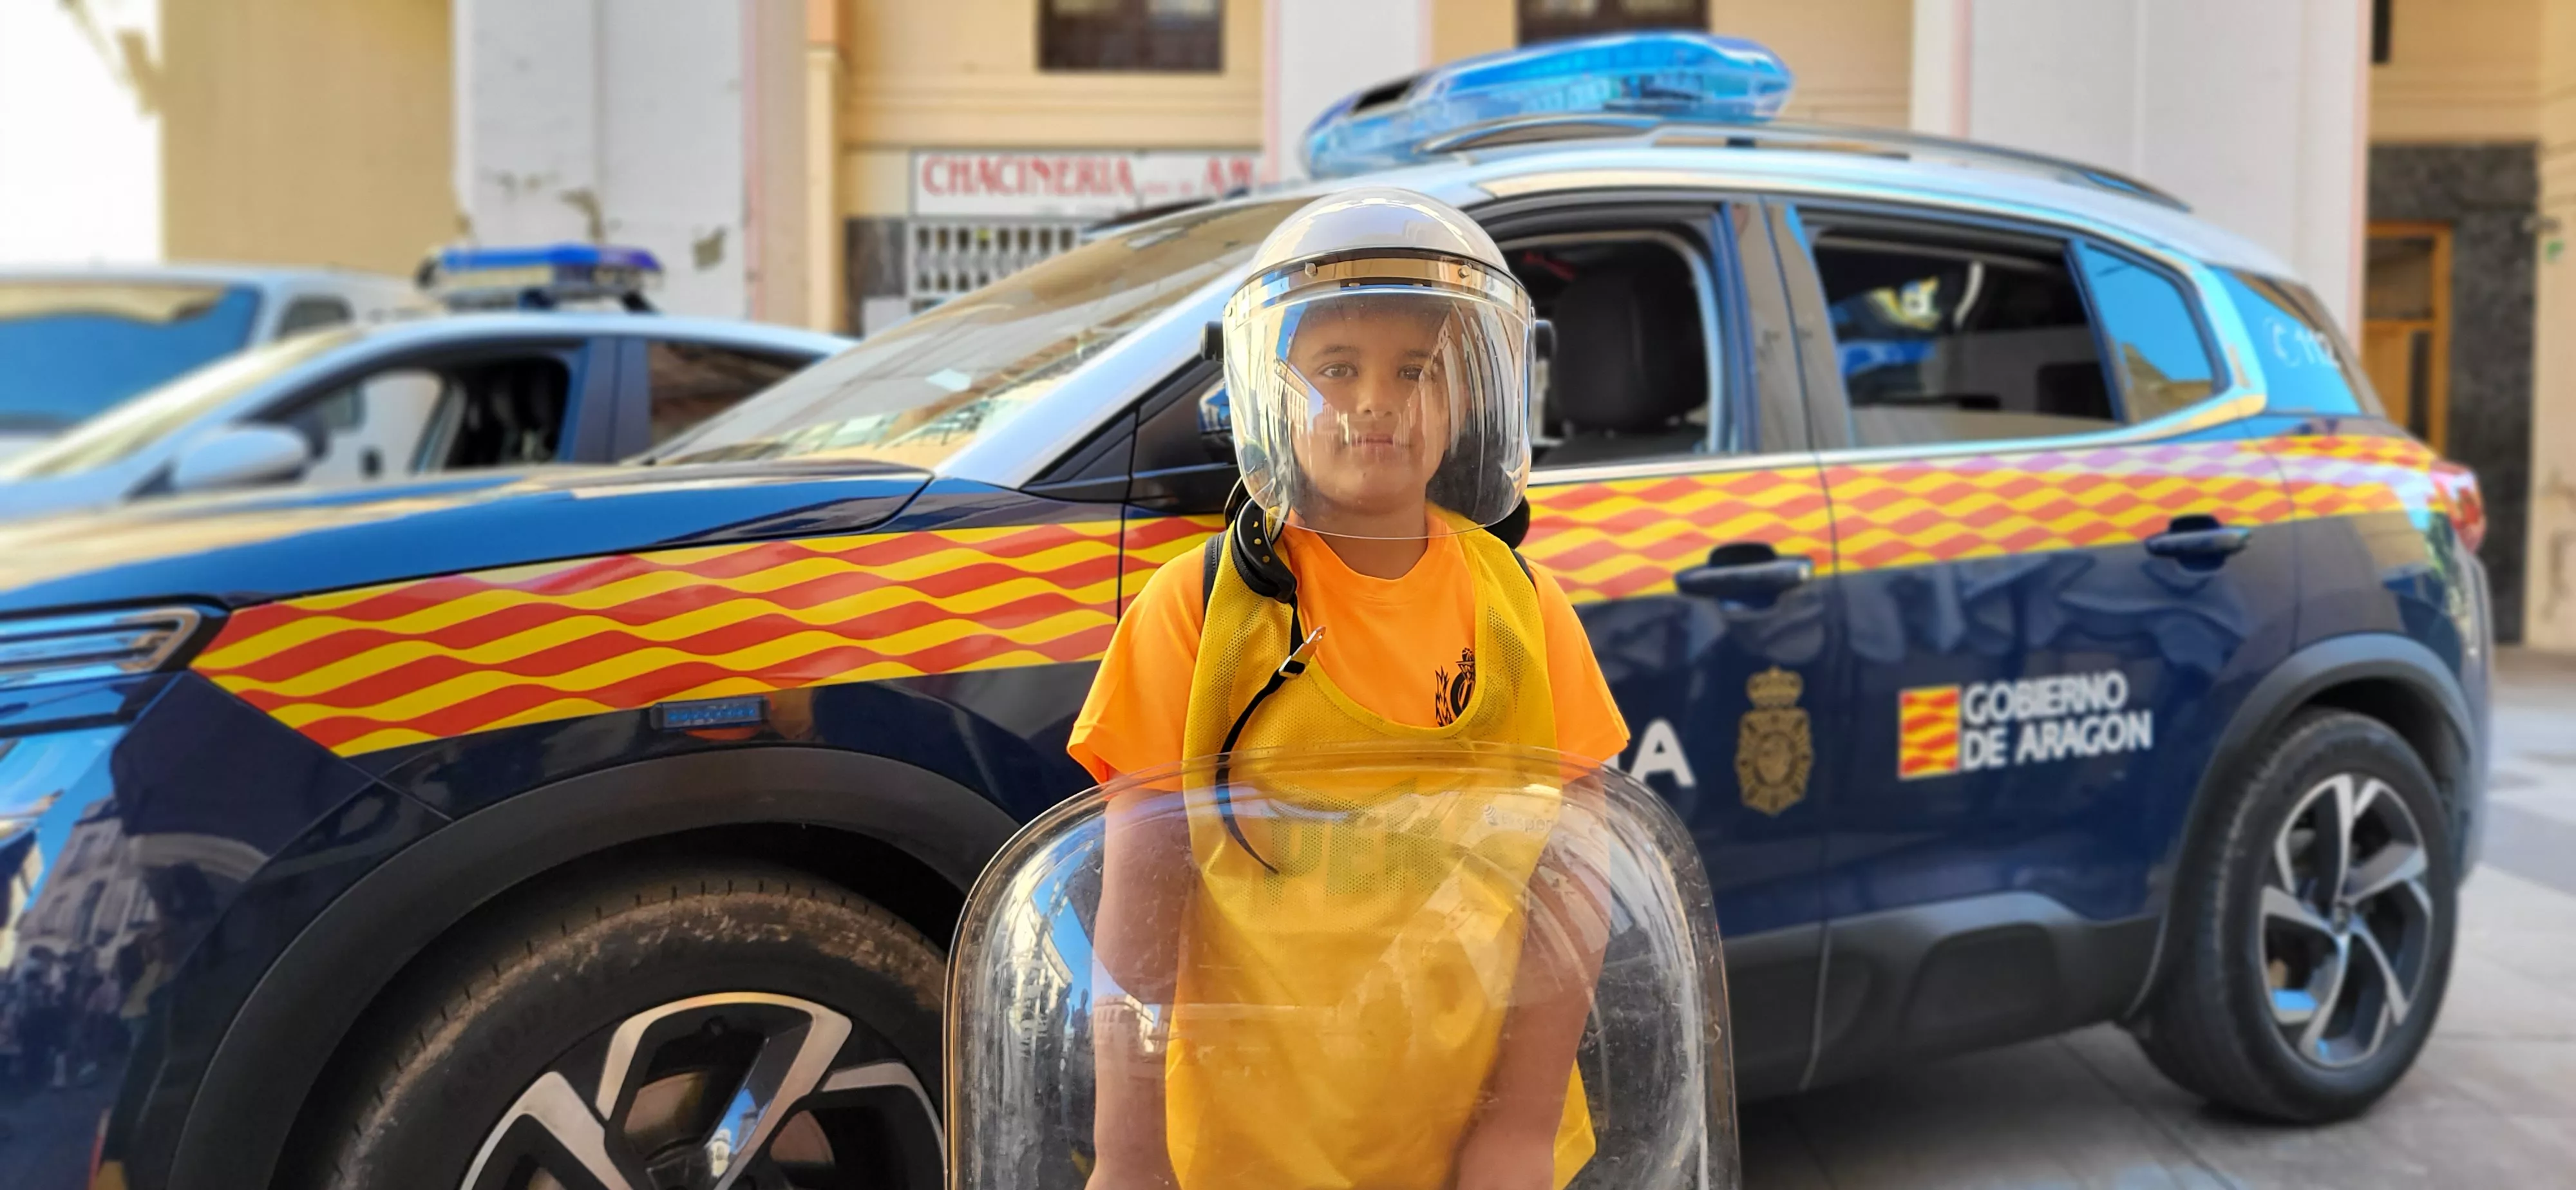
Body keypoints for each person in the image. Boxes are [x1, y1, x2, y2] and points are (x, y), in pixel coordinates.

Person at [1067, 187, 1631, 1190]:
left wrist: (1520, 1131)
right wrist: (1131, 1152)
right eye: (1336, 368)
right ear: (1272, 395)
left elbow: (1573, 889)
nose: (1376, 400)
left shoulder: (1525, 609)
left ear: (1464, 401)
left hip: (1474, 1133)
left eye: (1418, 372)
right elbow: (1141, 913)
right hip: (1250, 1147)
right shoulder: (1196, 612)